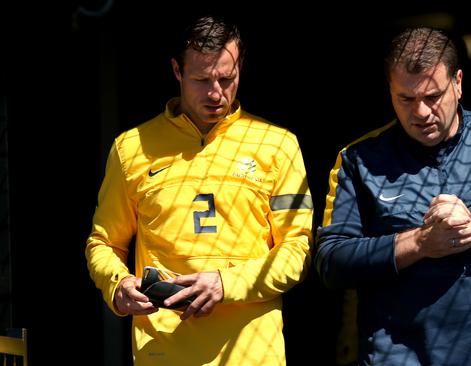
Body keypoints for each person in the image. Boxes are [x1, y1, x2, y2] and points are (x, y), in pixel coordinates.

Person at [315, 27, 471, 365]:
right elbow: (331, 261)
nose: (420, 113)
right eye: (405, 99)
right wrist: (421, 243)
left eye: (432, 96)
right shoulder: (359, 159)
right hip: (399, 353)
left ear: (458, 83)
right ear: (390, 91)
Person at [85, 14, 313, 366]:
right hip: (162, 353)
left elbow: (298, 251)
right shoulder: (130, 148)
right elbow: (104, 242)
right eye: (201, 80)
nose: (215, 93)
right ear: (177, 71)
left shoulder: (279, 145)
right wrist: (116, 285)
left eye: (227, 78)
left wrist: (226, 284)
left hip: (252, 354)